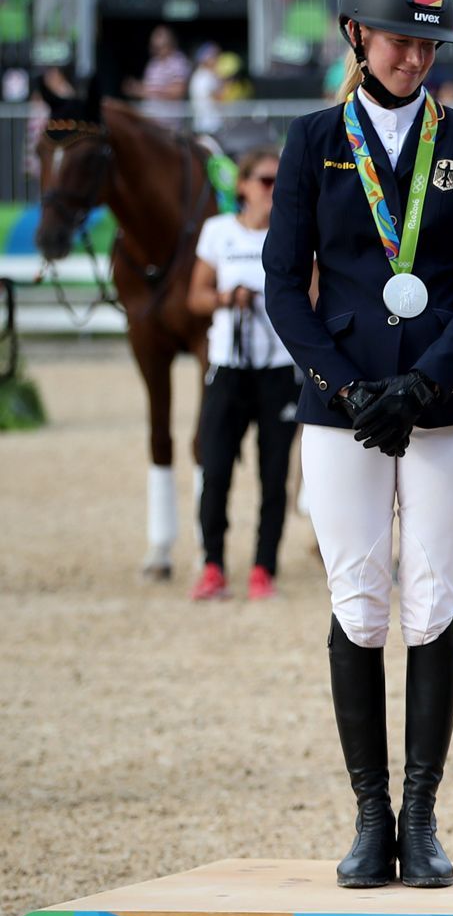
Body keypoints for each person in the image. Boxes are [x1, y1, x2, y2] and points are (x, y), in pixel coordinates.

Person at [263, 0, 453, 890]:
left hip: (446, 405)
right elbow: (285, 284)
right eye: (401, 38)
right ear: (357, 36)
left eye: (429, 41)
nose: (416, 55)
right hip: (341, 407)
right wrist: (343, 386)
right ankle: (370, 817)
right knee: (359, 601)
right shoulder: (312, 139)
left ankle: (422, 815)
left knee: (433, 600)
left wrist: (428, 383)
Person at [187, 145, 296, 603]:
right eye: (267, 181)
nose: (274, 191)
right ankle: (212, 564)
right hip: (228, 367)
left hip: (276, 369)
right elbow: (195, 297)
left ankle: (263, 568)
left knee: (274, 475)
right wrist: (226, 298)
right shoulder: (218, 232)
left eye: (280, 182)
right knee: (215, 469)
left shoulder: (293, 234)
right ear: (244, 187)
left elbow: (312, 296)